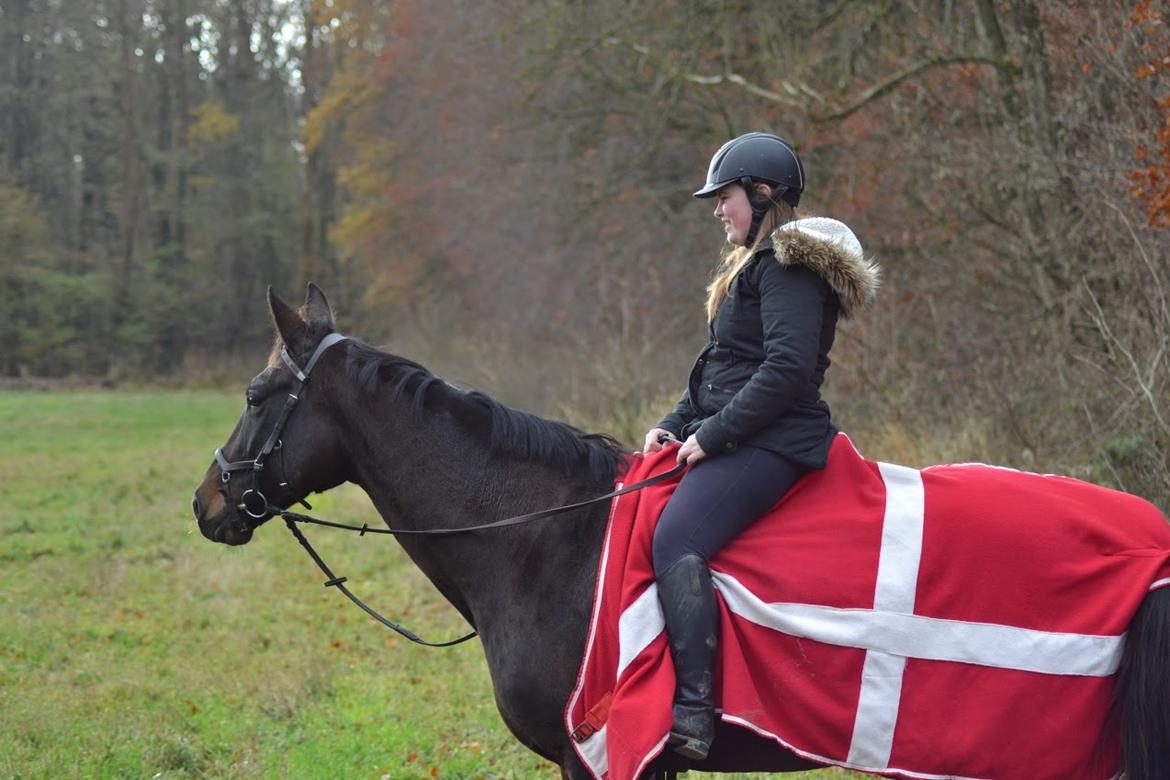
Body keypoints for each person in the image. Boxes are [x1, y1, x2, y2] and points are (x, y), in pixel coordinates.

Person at [643, 132, 879, 761]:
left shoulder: (789, 268)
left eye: (726, 197)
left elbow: (786, 371)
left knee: (677, 539)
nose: (718, 209)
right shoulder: (755, 266)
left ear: (763, 192)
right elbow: (725, 366)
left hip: (774, 442)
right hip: (746, 431)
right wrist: (674, 423)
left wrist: (713, 437)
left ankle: (695, 710)